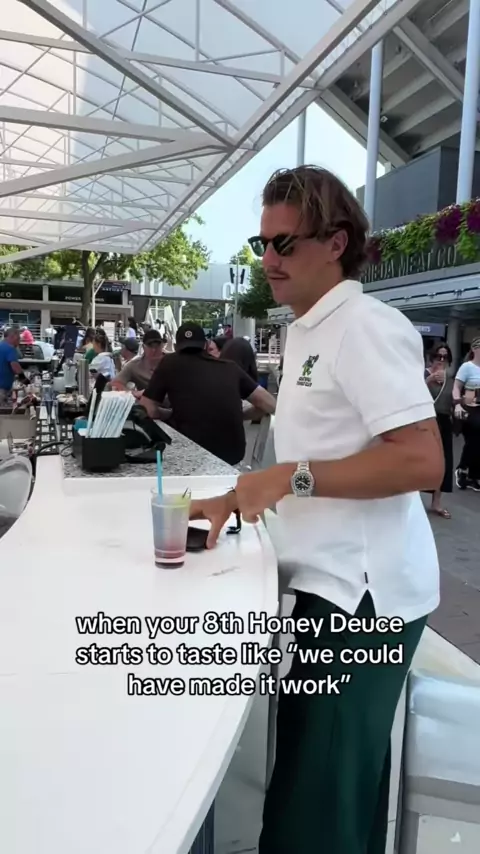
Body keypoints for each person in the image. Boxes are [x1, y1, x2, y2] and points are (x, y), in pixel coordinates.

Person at [187, 166, 443, 854]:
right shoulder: (307, 327)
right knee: (330, 784)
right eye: (261, 243)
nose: (268, 260)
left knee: (316, 801)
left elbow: (422, 461)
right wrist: (240, 496)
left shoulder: (364, 327)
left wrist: (288, 479)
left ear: (336, 243)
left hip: (362, 596)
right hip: (327, 585)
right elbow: (319, 456)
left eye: (285, 243)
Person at [141, 322, 276, 465]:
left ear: (175, 347)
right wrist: (240, 416)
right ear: (206, 345)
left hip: (191, 456)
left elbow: (148, 409)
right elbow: (270, 404)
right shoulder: (230, 368)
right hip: (232, 457)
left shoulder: (169, 363)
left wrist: (169, 414)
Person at [424, 343, 454, 516]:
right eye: (438, 356)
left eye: (445, 357)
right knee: (422, 460)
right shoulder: (423, 374)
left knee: (443, 462)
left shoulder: (450, 378)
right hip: (426, 421)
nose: (441, 360)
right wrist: (429, 380)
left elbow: (455, 398)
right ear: (432, 357)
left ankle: (436, 502)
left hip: (444, 421)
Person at [453, 337, 480, 491]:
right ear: (475, 349)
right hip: (469, 408)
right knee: (475, 435)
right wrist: (457, 404)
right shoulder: (467, 367)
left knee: (477, 442)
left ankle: (473, 475)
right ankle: (463, 469)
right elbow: (456, 387)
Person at [0, 327, 24, 403]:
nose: (19, 341)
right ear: (12, 337)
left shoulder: (1, 345)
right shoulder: (10, 348)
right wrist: (24, 379)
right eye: (18, 339)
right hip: (1, 389)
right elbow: (15, 366)